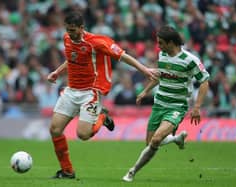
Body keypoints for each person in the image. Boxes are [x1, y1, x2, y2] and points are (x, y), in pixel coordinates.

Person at [47, 11, 159, 179]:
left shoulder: (97, 42)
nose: (71, 34)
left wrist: (144, 70)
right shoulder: (67, 39)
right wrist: (57, 72)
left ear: (82, 28)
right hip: (71, 90)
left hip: (90, 92)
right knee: (55, 130)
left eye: (73, 30)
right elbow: (72, 58)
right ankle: (67, 171)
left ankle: (102, 117)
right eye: (68, 30)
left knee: (83, 135)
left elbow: (123, 56)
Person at [122, 25, 210, 182]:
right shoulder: (162, 55)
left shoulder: (190, 60)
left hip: (176, 106)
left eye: (161, 43)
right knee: (150, 143)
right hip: (159, 104)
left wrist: (197, 107)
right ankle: (176, 139)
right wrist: (145, 91)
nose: (159, 46)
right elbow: (160, 75)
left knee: (156, 140)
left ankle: (132, 171)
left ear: (171, 43)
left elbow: (204, 81)